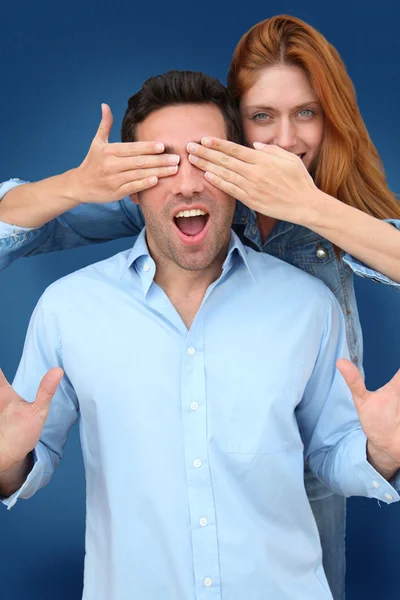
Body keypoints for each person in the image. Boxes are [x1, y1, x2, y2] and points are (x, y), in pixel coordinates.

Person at [0, 14, 399, 600]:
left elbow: (340, 452)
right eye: (263, 116)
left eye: (306, 112)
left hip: (309, 497)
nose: (286, 140)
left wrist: (309, 206)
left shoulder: (323, 255)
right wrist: (75, 184)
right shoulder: (165, 196)